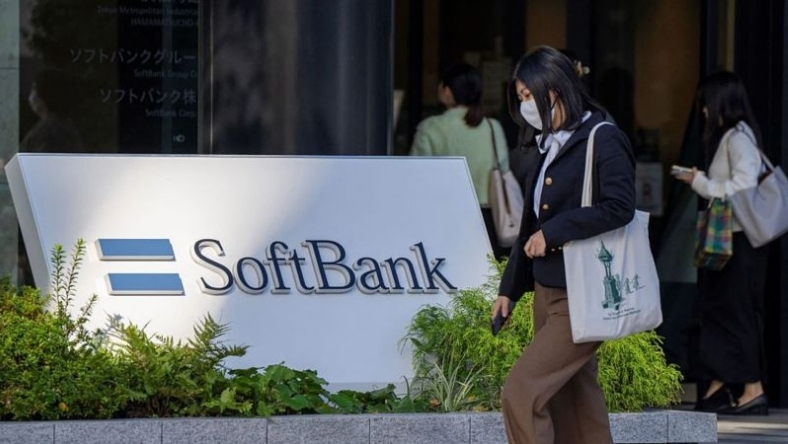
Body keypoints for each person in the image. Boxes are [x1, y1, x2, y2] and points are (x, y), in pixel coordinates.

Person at [492, 46, 635, 444]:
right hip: (547, 291)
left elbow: (621, 206)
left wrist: (556, 232)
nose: (525, 106)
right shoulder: (547, 143)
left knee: (522, 391)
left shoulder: (602, 137)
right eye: (519, 98)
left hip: (583, 291)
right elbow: (530, 226)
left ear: (554, 90)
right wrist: (510, 291)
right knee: (574, 401)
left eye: (528, 96)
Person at [674, 71, 769, 416]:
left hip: (738, 241)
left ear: (719, 103)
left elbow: (743, 187)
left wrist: (699, 181)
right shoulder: (736, 136)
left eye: (705, 104)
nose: (702, 111)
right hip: (731, 240)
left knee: (734, 313)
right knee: (719, 312)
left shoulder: (737, 138)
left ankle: (752, 389)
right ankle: (717, 387)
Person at [410, 63, 511, 259]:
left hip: (444, 217)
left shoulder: (430, 128)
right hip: (489, 218)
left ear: (447, 92)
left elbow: (415, 176)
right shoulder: (492, 126)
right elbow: (504, 169)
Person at [20, 68, 84, 153]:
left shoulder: (49, 131)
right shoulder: (60, 124)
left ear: (45, 92)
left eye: (34, 88)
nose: (32, 93)